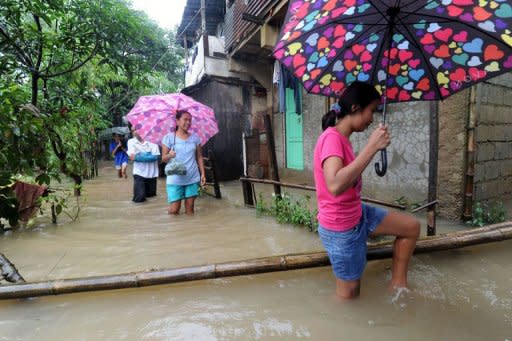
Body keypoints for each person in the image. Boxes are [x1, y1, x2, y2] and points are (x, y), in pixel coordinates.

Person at [313, 81, 420, 300]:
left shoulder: (343, 139)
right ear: (355, 108)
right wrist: (372, 147)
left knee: (411, 227)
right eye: (371, 110)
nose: (372, 118)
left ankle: (398, 285)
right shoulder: (332, 138)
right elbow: (334, 185)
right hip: (341, 228)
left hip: (357, 213)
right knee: (349, 296)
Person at [161, 110, 206, 215]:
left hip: (192, 177)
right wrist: (170, 155)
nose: (188, 122)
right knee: (174, 210)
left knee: (190, 209)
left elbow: (199, 157)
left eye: (190, 120)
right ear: (177, 121)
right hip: (175, 179)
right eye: (185, 119)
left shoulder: (195, 138)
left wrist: (203, 174)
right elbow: (163, 158)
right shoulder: (168, 138)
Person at [126, 123, 160, 203]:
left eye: (136, 129)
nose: (135, 132)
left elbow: (155, 157)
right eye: (133, 131)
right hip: (138, 173)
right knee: (139, 197)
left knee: (151, 197)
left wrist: (138, 156)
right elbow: (132, 157)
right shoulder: (131, 142)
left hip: (152, 174)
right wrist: (148, 154)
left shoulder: (153, 140)